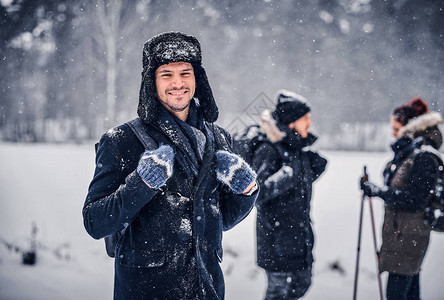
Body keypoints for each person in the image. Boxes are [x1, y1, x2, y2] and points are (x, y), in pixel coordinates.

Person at [82, 31, 259, 300]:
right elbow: (95, 222)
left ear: (197, 79)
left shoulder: (220, 138)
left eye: (185, 73)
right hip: (147, 291)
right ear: (151, 82)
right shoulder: (122, 140)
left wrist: (247, 190)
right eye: (166, 74)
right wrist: (141, 184)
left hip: (206, 289)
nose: (178, 83)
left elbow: (219, 219)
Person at [360, 97, 443, 300]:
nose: (393, 133)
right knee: (409, 292)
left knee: (397, 294)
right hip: (402, 235)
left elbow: (414, 199)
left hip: (409, 237)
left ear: (410, 128)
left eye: (396, 129)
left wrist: (379, 192)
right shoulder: (407, 155)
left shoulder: (423, 157)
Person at [252, 90, 327, 299]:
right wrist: (286, 176)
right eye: (306, 119)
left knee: (301, 285)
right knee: (278, 293)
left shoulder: (296, 151)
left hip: (300, 239)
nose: (310, 124)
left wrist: (308, 163)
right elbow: (256, 192)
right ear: (293, 122)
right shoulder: (269, 149)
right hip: (276, 242)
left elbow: (302, 182)